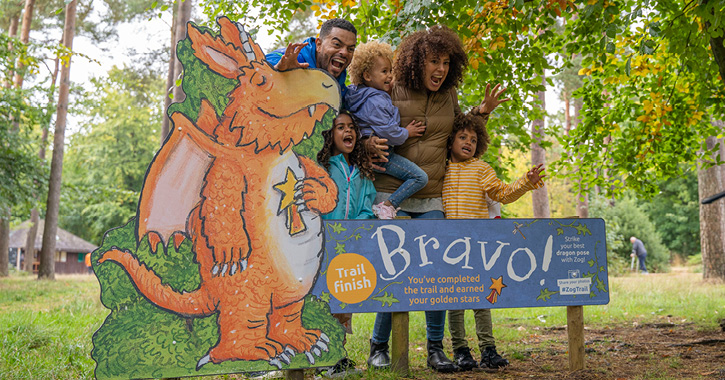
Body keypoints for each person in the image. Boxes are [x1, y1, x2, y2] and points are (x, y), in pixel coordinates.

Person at [365, 25, 510, 373]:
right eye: (433, 61)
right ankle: (379, 347)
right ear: (417, 61)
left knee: (437, 273)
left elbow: (461, 126)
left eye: (446, 62)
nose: (441, 69)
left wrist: (482, 111)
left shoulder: (449, 95)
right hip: (392, 194)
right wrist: (366, 144)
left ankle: (434, 348)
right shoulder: (392, 88)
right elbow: (366, 120)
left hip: (431, 197)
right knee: (393, 271)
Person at [443, 113, 545, 371]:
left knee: (480, 297)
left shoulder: (481, 169)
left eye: (474, 140)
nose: (468, 142)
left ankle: (488, 349)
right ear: (451, 139)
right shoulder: (440, 167)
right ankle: (461, 351)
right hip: (448, 246)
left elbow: (502, 193)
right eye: (462, 137)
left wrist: (526, 182)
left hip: (477, 244)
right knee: (455, 300)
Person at [316, 111, 376, 377]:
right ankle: (322, 359)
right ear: (331, 135)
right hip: (323, 245)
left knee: (343, 300)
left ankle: (338, 357)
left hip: (349, 246)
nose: (347, 131)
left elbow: (366, 206)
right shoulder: (324, 167)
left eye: (351, 127)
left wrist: (357, 228)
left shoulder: (361, 172)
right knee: (323, 301)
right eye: (340, 127)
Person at [344, 40, 428, 219]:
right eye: (384, 72)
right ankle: (388, 206)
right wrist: (407, 132)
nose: (390, 76)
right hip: (383, 154)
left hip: (367, 153)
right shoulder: (377, 101)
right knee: (420, 178)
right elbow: (390, 133)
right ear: (367, 75)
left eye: (390, 71)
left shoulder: (358, 95)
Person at [266, 18, 357, 96]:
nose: (344, 53)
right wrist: (277, 70)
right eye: (337, 44)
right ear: (319, 45)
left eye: (350, 49)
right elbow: (256, 71)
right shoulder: (290, 59)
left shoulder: (340, 87)